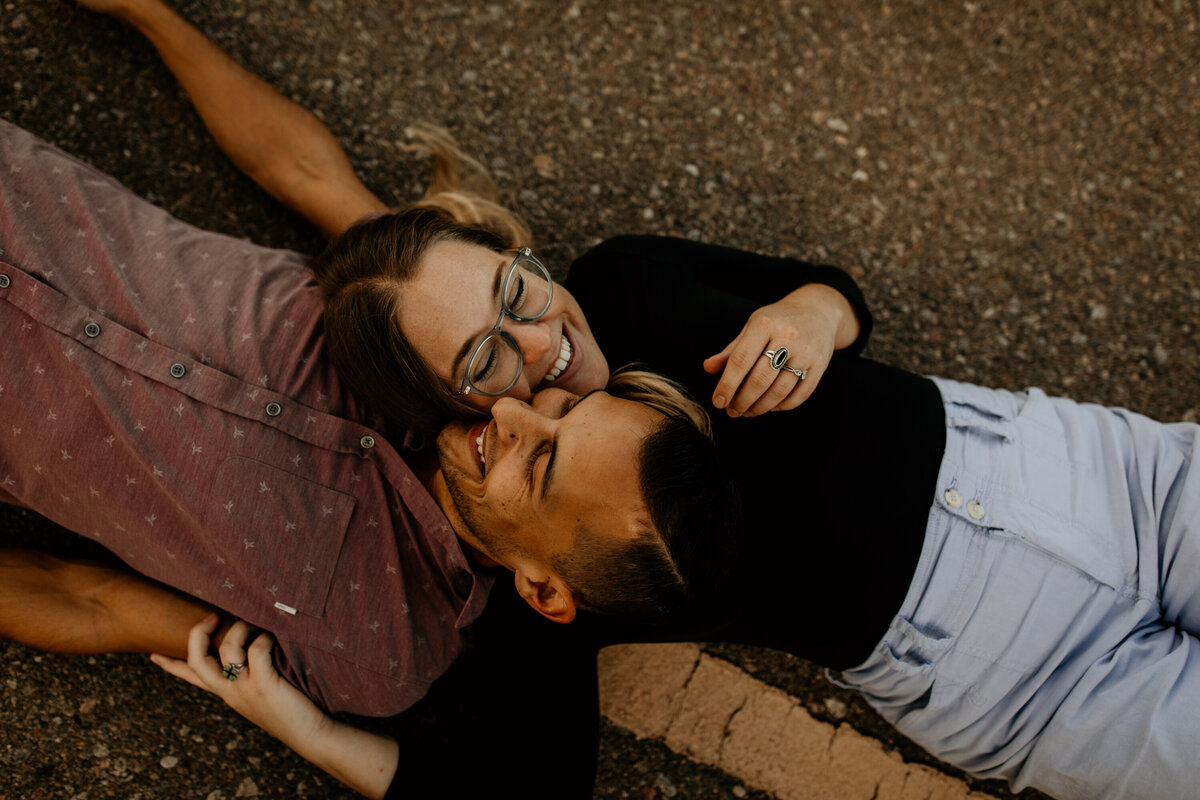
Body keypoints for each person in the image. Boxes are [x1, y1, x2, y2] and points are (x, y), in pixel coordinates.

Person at [26, 4, 1200, 800]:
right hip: (1025, 685)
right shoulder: (541, 576)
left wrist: (810, 315)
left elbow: (838, 294)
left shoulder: (625, 284)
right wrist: (316, 733)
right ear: (446, 404)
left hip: (1096, 471)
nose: (546, 353)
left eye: (518, 289)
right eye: (489, 366)